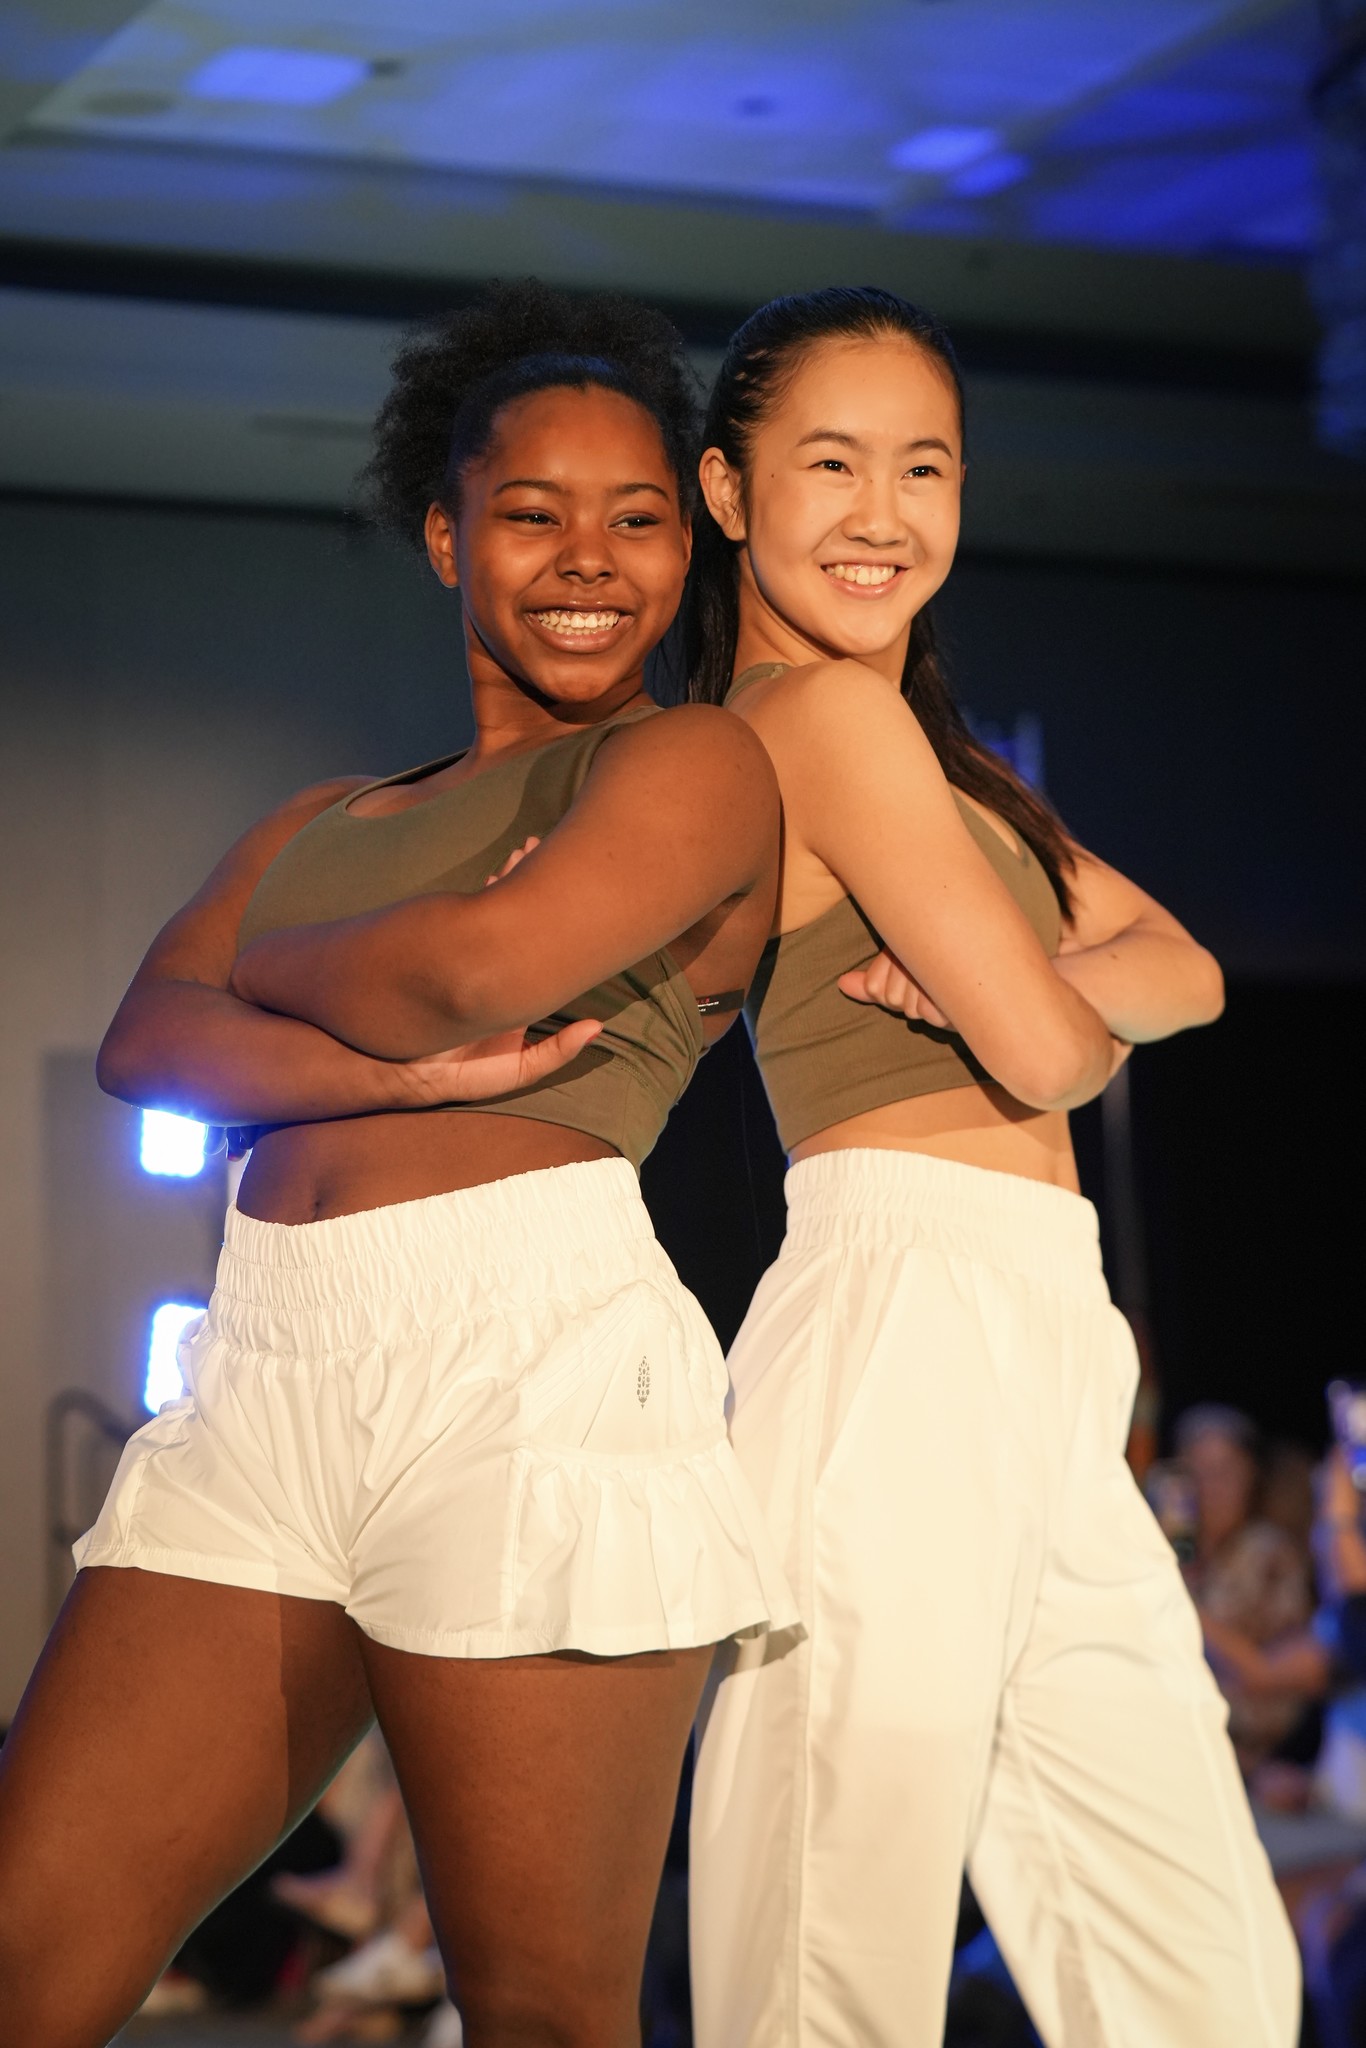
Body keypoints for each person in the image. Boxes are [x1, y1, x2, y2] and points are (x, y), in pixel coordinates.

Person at [0, 280, 794, 2048]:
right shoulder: (326, 820)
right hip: (265, 1372)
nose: (587, 558)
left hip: (527, 1366)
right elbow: (147, 1044)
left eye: (637, 517)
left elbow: (475, 976)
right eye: (530, 513)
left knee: (539, 2015)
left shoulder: (687, 762)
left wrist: (272, 974)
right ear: (447, 535)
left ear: (688, 546)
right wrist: (401, 1039)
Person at [682, 286, 1299, 2046]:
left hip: (1040, 1334)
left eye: (924, 466)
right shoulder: (811, 721)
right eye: (830, 463)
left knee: (1195, 1972)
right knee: (827, 1952)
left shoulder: (942, 757)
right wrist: (1041, 1009)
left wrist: (1041, 994)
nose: (884, 513)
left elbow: (1185, 963)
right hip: (900, 1311)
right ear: (727, 493)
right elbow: (1049, 1051)